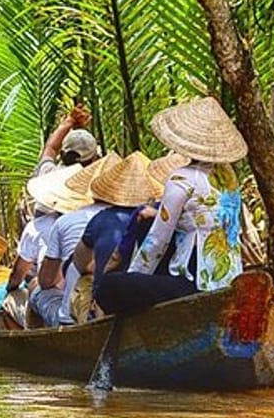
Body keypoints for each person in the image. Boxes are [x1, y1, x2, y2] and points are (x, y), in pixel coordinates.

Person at [95, 97, 246, 315]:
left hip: (195, 285)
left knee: (108, 287)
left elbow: (158, 239)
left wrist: (133, 278)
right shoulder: (230, 180)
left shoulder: (182, 178)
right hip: (229, 281)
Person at [67, 151, 161, 322]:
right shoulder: (162, 217)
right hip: (150, 298)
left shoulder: (102, 219)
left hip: (112, 301)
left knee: (82, 287)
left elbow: (80, 264)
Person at [28, 152, 119, 327]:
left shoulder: (66, 221)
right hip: (113, 313)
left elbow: (46, 281)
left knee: (36, 288)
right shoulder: (136, 218)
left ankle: (28, 339)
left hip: (71, 318)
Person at [2, 163, 89, 327]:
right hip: (92, 304)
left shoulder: (42, 225)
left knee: (28, 291)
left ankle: (29, 337)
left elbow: (22, 274)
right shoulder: (102, 218)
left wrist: (9, 289)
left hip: (66, 309)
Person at [33, 103, 100, 179]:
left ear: (62, 154)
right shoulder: (99, 186)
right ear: (94, 160)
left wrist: (70, 120)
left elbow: (51, 148)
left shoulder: (47, 174)